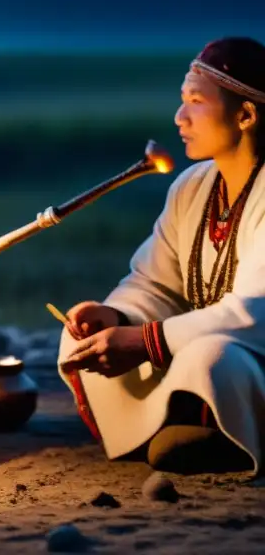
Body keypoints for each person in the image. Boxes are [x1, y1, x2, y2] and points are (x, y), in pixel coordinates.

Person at [59, 36, 265, 475]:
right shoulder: (191, 185)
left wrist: (145, 341)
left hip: (244, 355)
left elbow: (255, 312)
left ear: (246, 114)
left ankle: (221, 432)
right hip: (198, 342)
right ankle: (172, 426)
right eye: (181, 100)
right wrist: (117, 317)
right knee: (79, 337)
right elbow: (153, 282)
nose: (179, 116)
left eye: (195, 101)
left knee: (210, 356)